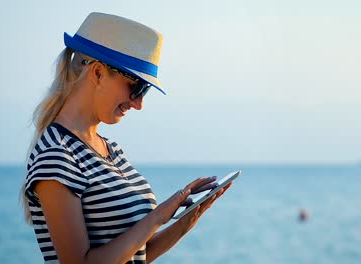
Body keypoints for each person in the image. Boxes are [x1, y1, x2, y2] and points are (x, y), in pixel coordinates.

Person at [20, 12, 232, 264]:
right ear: (98, 73)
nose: (139, 104)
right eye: (136, 87)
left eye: (146, 91)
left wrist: (186, 221)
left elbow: (135, 255)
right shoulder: (57, 154)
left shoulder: (111, 150)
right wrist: (156, 217)